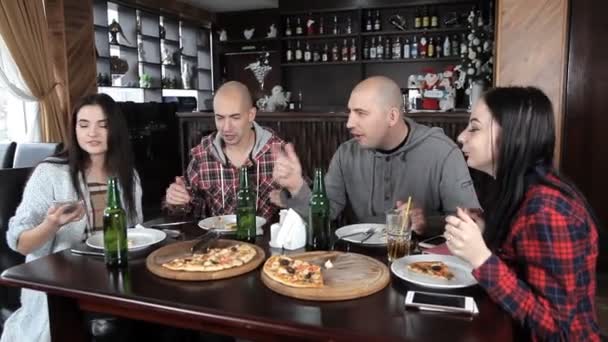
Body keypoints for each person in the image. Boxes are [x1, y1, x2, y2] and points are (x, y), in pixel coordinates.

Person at [445, 87, 600, 340]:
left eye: (474, 127)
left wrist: (482, 258)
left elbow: (559, 331)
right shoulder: (513, 189)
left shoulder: (548, 211)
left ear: (512, 135)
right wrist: (486, 235)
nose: (461, 136)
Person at [1, 93, 143, 342]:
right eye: (84, 124)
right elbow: (20, 242)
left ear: (115, 130)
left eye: (103, 125)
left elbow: (135, 234)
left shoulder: (127, 176)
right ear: (74, 129)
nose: (92, 133)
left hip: (116, 283)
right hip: (62, 288)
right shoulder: (50, 174)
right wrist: (52, 223)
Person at [272, 76, 479, 231]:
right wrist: (296, 187)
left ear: (392, 116)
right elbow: (325, 215)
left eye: (361, 113)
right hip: (359, 262)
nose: (349, 123)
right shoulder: (346, 154)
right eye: (350, 112)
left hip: (422, 265)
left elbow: (472, 222)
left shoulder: (442, 151)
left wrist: (427, 221)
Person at [164, 81, 285, 222]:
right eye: (220, 118)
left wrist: (290, 199)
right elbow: (188, 210)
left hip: (266, 242)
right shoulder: (202, 155)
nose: (226, 128)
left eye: (235, 117)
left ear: (251, 114)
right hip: (219, 242)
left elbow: (307, 200)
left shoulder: (278, 151)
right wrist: (176, 201)